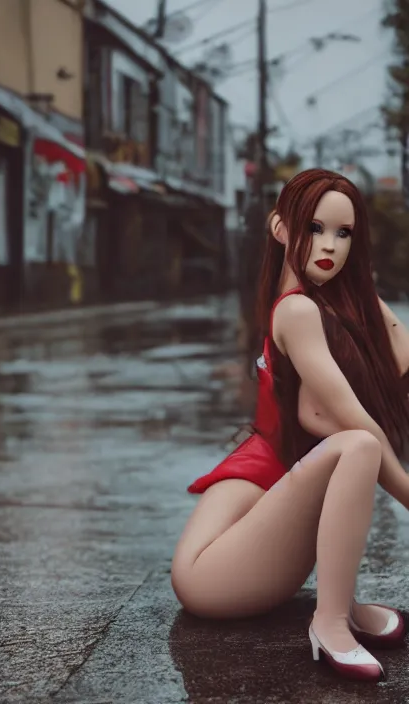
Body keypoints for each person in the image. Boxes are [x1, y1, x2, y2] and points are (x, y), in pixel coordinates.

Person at [170, 168, 409, 682]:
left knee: (352, 446)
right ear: (280, 228)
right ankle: (330, 621)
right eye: (315, 228)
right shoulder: (298, 311)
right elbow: (346, 417)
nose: (330, 246)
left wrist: (367, 296)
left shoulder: (314, 307)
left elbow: (403, 358)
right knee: (358, 445)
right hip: (210, 575)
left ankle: (338, 605)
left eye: (344, 234)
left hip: (249, 539)